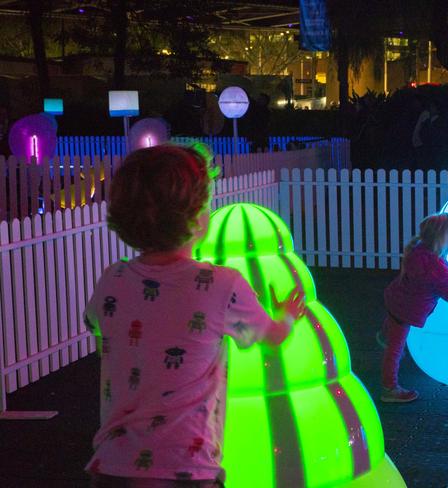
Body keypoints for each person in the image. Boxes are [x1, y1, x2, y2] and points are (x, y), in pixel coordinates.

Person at [83, 144, 305, 487]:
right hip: (186, 468)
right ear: (197, 217)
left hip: (114, 466)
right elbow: (272, 338)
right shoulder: (221, 284)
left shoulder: (112, 279)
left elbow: (97, 327)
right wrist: (287, 315)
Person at [380, 213, 448, 402]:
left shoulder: (420, 252)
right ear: (441, 237)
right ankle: (389, 389)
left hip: (396, 300)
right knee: (395, 350)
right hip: (406, 310)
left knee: (393, 323)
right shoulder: (435, 269)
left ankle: (385, 334)